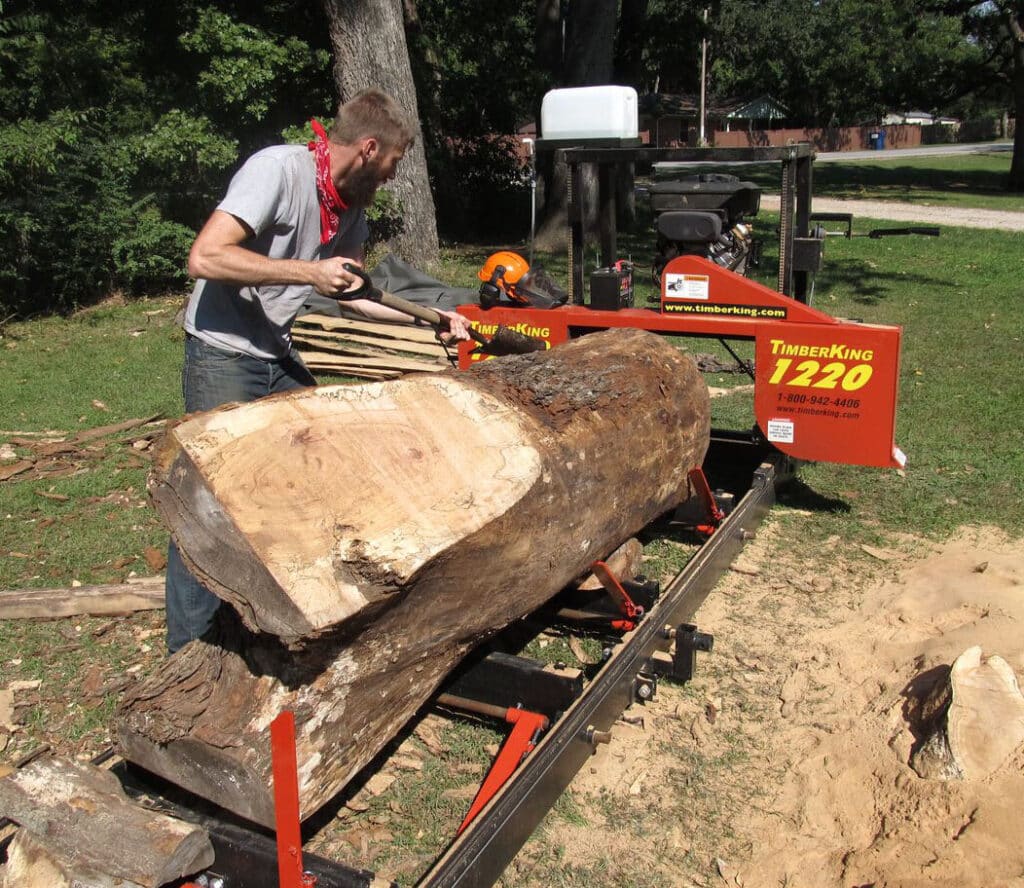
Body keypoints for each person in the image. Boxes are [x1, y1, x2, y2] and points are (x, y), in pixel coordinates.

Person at [166, 88, 472, 654]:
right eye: (387, 170)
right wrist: (308, 272)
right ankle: (189, 650)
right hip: (224, 352)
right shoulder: (278, 171)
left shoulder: (348, 205)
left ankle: (281, 608)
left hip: (273, 350)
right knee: (213, 505)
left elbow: (355, 293)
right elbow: (204, 257)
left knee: (313, 467)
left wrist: (432, 319)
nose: (386, 183)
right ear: (368, 148)